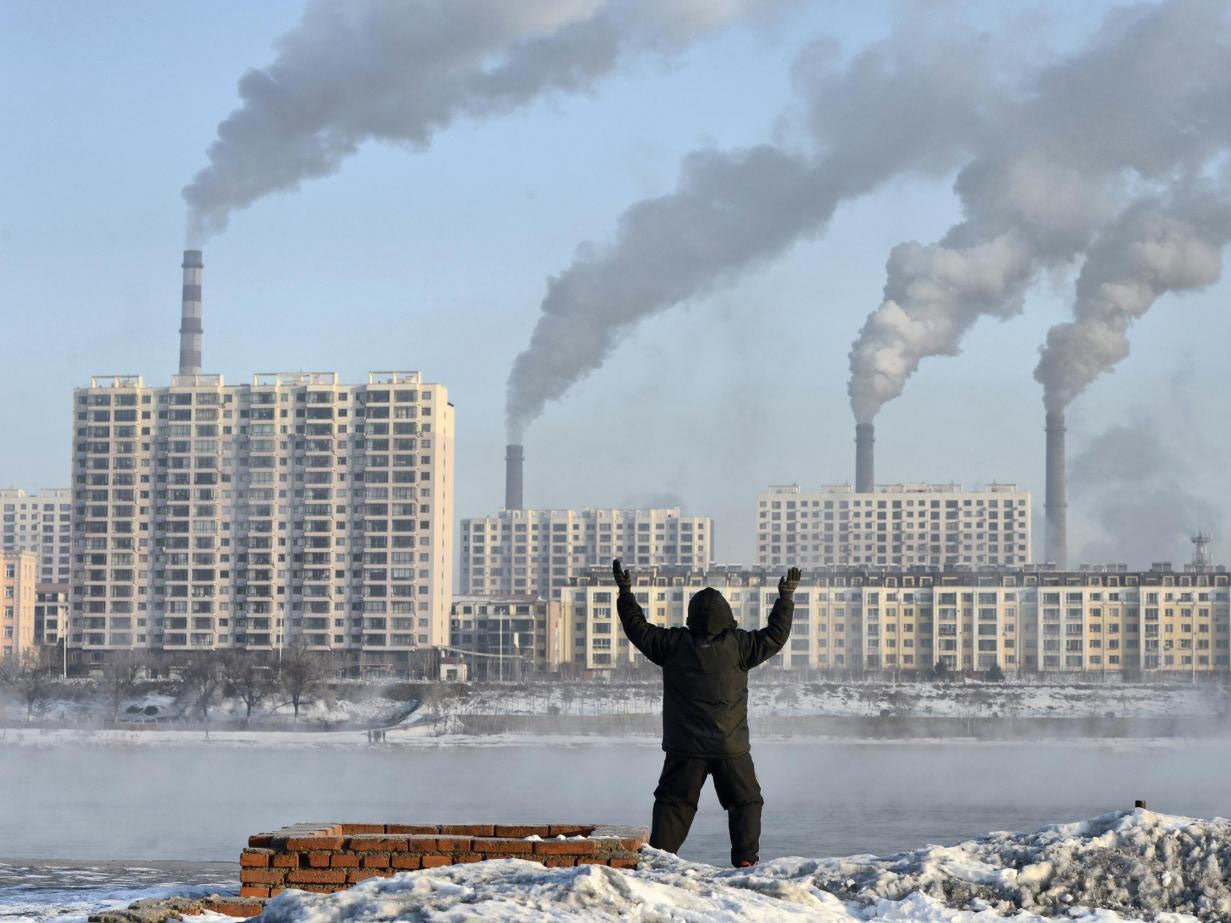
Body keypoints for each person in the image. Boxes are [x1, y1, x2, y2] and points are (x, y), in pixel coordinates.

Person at [612, 557, 800, 867]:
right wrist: (786, 598)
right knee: (746, 801)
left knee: (674, 804)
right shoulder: (741, 646)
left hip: (685, 747)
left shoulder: (673, 645)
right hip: (731, 746)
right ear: (727, 616)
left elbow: (638, 629)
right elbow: (775, 636)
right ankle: (744, 861)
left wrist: (625, 592)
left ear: (691, 616)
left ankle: (659, 862)